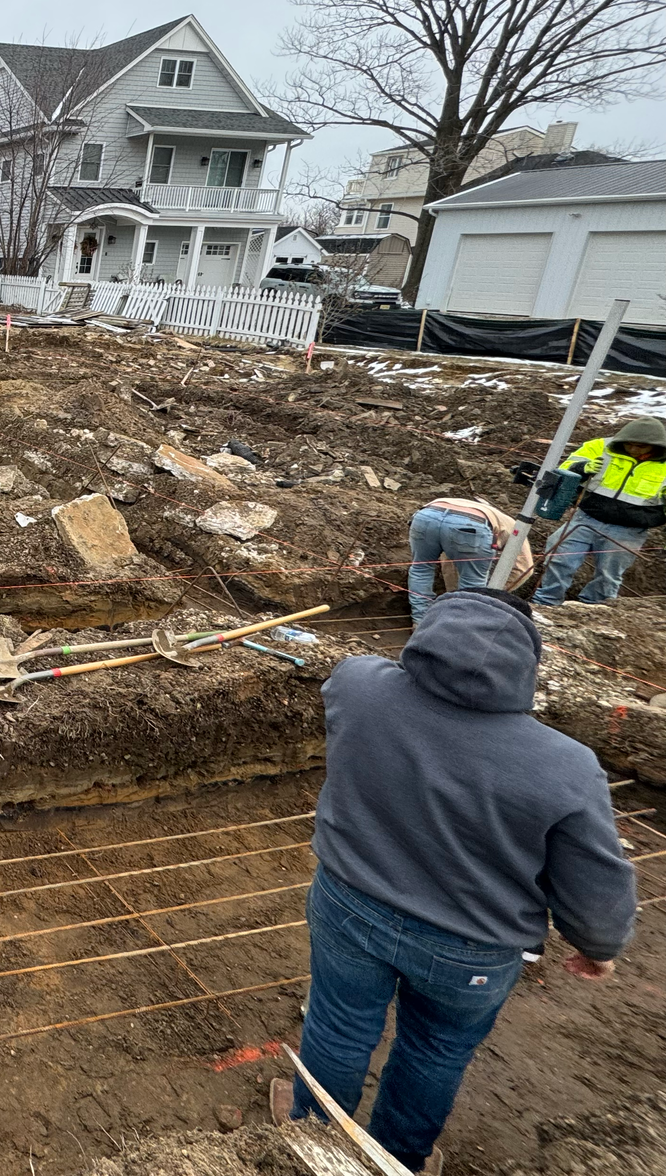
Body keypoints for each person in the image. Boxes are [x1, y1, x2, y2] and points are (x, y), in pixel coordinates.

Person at [272, 588, 634, 1172]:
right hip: (471, 947)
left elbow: (371, 672)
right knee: (434, 1053)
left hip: (351, 901)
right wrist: (599, 945)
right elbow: (594, 875)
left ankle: (314, 1143)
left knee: (338, 1028)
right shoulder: (565, 764)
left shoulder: (360, 688)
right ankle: (394, 1160)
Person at [534, 416, 666, 607]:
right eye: (630, 444)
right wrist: (582, 468)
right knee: (560, 557)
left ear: (655, 446)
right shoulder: (599, 447)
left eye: (641, 447)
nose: (634, 449)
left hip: (629, 530)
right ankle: (546, 602)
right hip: (586, 518)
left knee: (608, 575)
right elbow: (563, 470)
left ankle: (595, 608)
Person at [405, 496, 531, 623]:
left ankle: (420, 621)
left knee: (421, 568)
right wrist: (491, 593)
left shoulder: (487, 513)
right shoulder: (514, 526)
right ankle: (462, 624)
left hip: (426, 515)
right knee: (472, 580)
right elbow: (524, 567)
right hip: (472, 524)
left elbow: (449, 560)